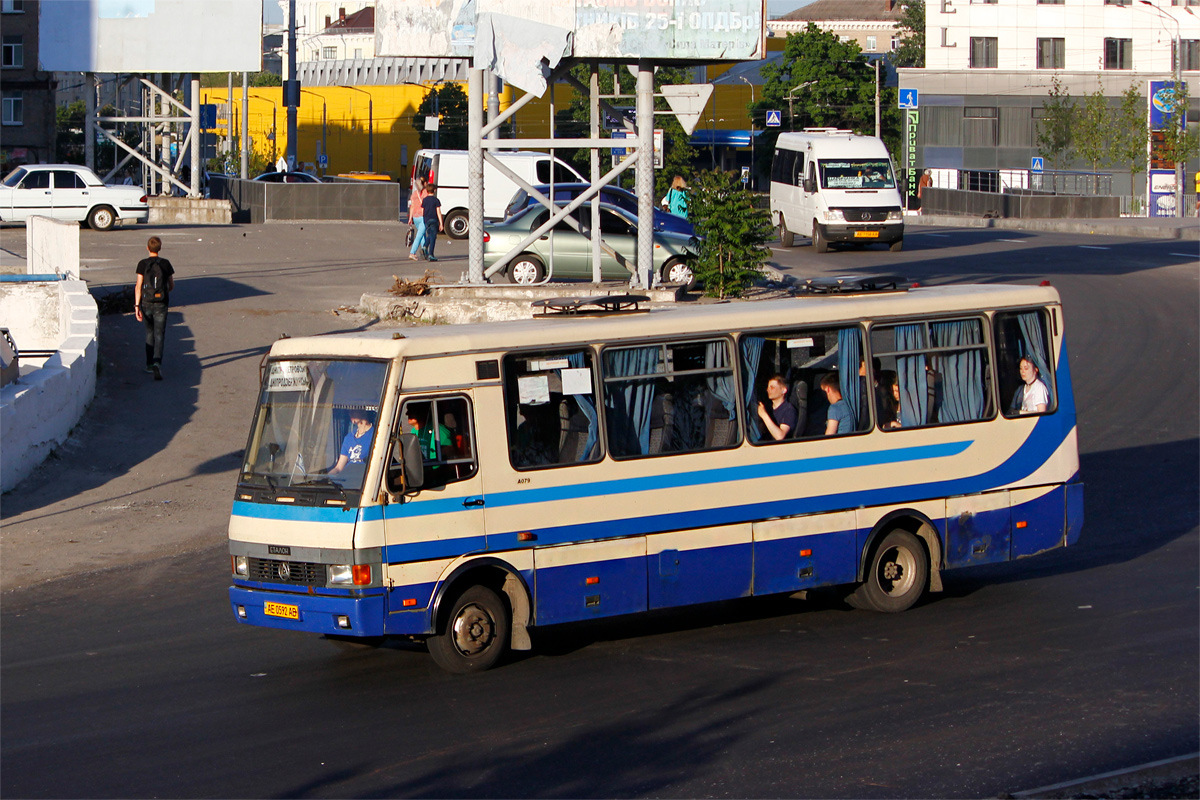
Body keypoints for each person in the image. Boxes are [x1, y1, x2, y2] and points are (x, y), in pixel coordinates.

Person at [134, 235, 175, 381]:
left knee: (149, 332)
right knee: (160, 334)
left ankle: (149, 364)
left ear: (147, 248)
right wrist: (163, 293)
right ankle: (158, 362)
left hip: (146, 302)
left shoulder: (142, 264)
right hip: (161, 303)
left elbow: (138, 286)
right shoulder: (165, 264)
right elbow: (171, 285)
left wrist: (137, 306)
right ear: (160, 248)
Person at [329, 409, 375, 478]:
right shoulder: (348, 438)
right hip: (348, 479)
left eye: (354, 410)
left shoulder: (375, 435)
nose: (350, 413)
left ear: (363, 411)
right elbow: (338, 468)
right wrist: (326, 477)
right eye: (349, 411)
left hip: (364, 479)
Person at [756, 374, 797, 441]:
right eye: (768, 387)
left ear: (783, 390)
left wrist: (764, 415)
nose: (768, 390)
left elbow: (780, 436)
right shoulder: (768, 408)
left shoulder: (789, 410)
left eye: (772, 387)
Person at [421, 184, 444, 261]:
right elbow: (438, 212)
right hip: (434, 219)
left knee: (430, 234)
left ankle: (425, 246)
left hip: (426, 220)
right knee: (433, 237)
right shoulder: (436, 200)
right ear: (434, 190)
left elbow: (423, 210)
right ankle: (431, 254)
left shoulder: (425, 200)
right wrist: (441, 223)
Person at [407, 177, 427, 262]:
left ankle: (425, 252)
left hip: (415, 216)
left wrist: (410, 218)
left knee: (422, 235)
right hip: (423, 216)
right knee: (419, 235)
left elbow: (412, 206)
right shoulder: (426, 193)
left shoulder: (414, 194)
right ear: (424, 183)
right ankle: (412, 252)